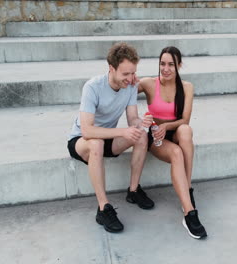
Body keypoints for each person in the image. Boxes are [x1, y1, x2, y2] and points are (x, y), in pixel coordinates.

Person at [67, 42, 154, 233]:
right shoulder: (92, 87)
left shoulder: (130, 86)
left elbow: (132, 119)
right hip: (82, 141)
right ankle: (103, 208)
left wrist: (142, 123)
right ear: (111, 69)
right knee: (96, 143)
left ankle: (133, 190)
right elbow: (88, 131)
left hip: (109, 140)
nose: (131, 78)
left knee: (141, 136)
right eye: (125, 74)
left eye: (133, 73)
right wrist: (122, 132)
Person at [138, 46, 207, 239]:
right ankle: (189, 213)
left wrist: (166, 127)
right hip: (156, 138)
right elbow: (123, 88)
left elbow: (184, 120)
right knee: (176, 153)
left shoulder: (186, 87)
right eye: (162, 64)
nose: (165, 69)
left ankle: (187, 188)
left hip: (173, 132)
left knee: (186, 130)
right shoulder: (149, 84)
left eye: (171, 64)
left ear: (179, 66)